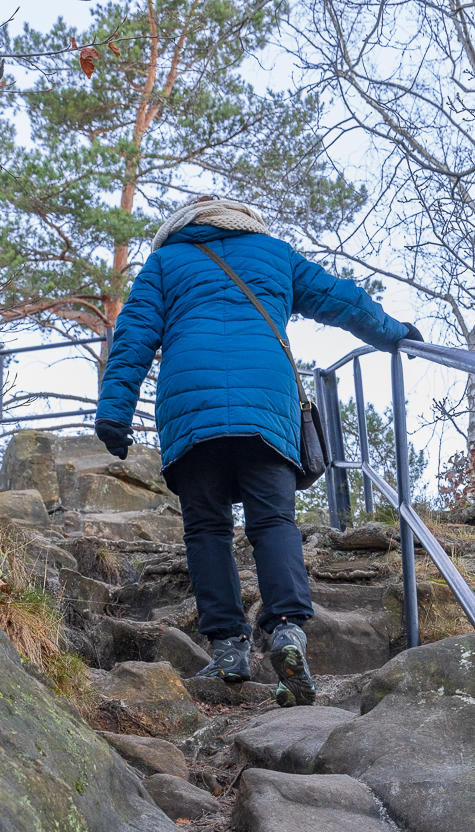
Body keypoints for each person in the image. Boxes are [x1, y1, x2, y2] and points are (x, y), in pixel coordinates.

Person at [95, 194, 422, 707]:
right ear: (244, 219)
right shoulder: (273, 253)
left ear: (181, 225)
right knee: (274, 524)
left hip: (192, 406)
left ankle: (228, 648)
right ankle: (289, 630)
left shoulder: (165, 262)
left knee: (206, 528)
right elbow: (340, 299)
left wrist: (115, 410)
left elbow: (133, 336)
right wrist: (392, 334)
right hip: (266, 407)